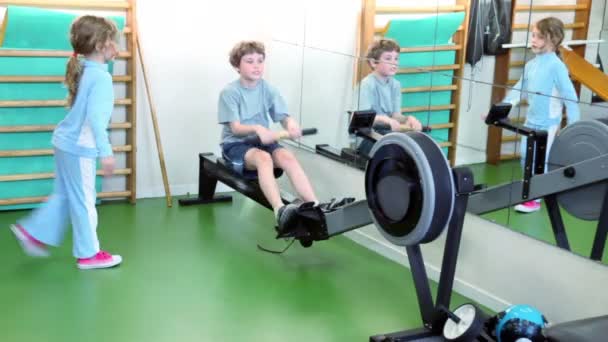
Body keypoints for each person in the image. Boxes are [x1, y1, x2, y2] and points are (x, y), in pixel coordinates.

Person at [10, 15, 122, 269]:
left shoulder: (85, 69)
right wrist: (106, 152)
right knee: (84, 201)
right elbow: (96, 120)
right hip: (79, 148)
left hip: (64, 143)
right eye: (113, 41)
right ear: (100, 45)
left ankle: (32, 232)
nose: (117, 46)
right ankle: (88, 254)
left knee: (64, 195)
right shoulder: (101, 78)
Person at [218, 41, 319, 231]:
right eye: (249, 61)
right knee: (264, 159)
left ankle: (314, 204)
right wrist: (257, 129)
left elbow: (283, 117)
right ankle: (279, 210)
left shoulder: (268, 89)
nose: (256, 66)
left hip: (263, 141)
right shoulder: (229, 93)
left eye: (260, 61)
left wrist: (291, 124)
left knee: (287, 157)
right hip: (236, 145)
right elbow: (236, 128)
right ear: (236, 66)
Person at [503, 17, 580, 213]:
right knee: (525, 158)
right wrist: (499, 109)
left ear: (552, 39)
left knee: (540, 162)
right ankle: (531, 192)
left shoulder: (556, 66)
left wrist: (574, 127)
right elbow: (518, 90)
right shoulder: (531, 65)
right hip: (531, 121)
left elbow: (570, 97)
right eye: (533, 35)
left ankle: (535, 199)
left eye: (538, 36)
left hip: (549, 124)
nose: (533, 40)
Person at [357, 38, 422, 156]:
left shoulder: (396, 85)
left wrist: (408, 119)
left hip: (386, 134)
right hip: (367, 137)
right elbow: (362, 120)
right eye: (388, 59)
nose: (394, 63)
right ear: (373, 62)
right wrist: (385, 119)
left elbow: (395, 115)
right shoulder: (367, 85)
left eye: (396, 58)